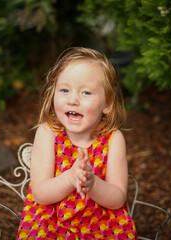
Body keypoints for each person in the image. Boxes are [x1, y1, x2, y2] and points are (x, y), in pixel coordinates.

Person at [17, 47, 136, 239]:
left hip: (101, 223)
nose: (72, 100)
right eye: (64, 90)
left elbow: (117, 199)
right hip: (51, 222)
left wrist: (92, 183)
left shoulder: (113, 139)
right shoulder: (48, 134)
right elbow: (40, 194)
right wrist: (70, 178)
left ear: (107, 103)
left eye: (86, 93)